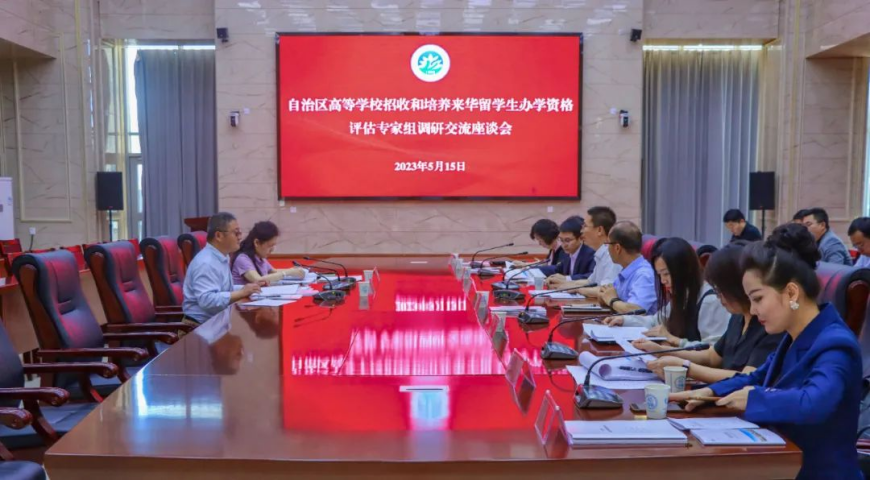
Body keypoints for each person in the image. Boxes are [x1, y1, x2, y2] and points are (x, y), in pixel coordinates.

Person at [671, 224, 864, 480]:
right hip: (783, 464)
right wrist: (710, 392)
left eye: (758, 298)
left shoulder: (835, 343)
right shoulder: (795, 335)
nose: (753, 310)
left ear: (791, 292)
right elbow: (758, 377)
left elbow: (814, 402)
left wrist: (754, 399)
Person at [642, 242, 784, 384]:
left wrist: (685, 367)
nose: (719, 297)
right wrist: (661, 350)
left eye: (721, 291)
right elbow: (712, 356)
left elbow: (748, 377)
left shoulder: (769, 324)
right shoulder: (738, 317)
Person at [604, 238, 730, 348]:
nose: (663, 281)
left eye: (666, 274)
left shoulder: (710, 300)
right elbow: (656, 321)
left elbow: (713, 350)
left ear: (684, 269)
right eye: (660, 275)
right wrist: (624, 320)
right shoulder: (682, 294)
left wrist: (674, 340)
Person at [183, 212, 263, 325]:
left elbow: (223, 290)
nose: (240, 237)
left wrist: (248, 288)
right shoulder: (206, 263)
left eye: (240, 232)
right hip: (199, 327)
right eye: (236, 233)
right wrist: (242, 293)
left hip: (216, 322)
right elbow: (207, 300)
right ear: (218, 236)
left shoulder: (222, 256)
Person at [549, 207, 622, 297]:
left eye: (585, 226)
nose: (581, 231)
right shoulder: (600, 253)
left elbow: (605, 290)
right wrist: (564, 283)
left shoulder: (611, 255)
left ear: (599, 230)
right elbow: (590, 281)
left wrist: (576, 289)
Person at [598, 221, 658, 314]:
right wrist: (604, 295)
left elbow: (636, 311)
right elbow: (610, 295)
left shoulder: (644, 274)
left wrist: (612, 300)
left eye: (607, 244)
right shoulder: (627, 269)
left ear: (617, 248)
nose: (607, 248)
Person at [232, 221, 305, 285]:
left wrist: (294, 271)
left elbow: (273, 271)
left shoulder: (259, 256)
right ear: (257, 243)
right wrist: (288, 272)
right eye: (270, 246)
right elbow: (258, 280)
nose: (272, 250)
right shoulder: (242, 259)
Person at [542, 216, 596, 285]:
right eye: (561, 240)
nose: (564, 245)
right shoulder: (566, 253)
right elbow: (557, 269)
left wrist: (567, 278)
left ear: (580, 238)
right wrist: (532, 269)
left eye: (567, 240)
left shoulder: (591, 253)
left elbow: (592, 276)